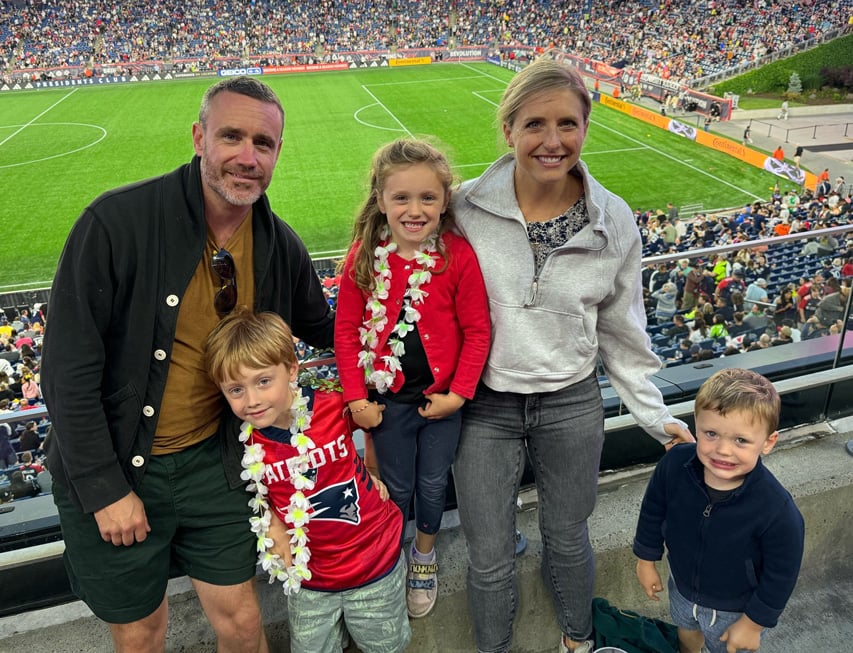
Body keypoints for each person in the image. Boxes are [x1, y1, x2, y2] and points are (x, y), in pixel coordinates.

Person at [40, 76, 335, 652]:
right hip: (121, 466)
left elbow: (328, 329)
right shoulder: (116, 224)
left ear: (277, 153)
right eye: (232, 137)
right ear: (199, 137)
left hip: (215, 465)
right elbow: (66, 372)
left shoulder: (277, 242)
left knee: (245, 626)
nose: (247, 157)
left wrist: (423, 307)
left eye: (264, 144)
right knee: (142, 635)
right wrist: (104, 489)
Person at [450, 56, 695, 653]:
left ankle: (579, 642)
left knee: (567, 538)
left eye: (567, 124)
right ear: (508, 130)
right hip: (482, 406)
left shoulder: (613, 221)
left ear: (586, 126)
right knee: (486, 555)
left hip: (570, 403)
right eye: (534, 124)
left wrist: (654, 414)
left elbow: (622, 330)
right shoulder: (461, 210)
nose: (552, 141)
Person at [334, 138, 491, 619]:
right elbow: (345, 334)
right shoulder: (365, 256)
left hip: (440, 402)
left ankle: (423, 553)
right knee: (395, 487)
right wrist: (357, 399)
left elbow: (477, 329)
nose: (415, 209)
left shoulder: (457, 256)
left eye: (428, 197)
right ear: (380, 201)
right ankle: (393, 550)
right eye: (401, 198)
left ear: (445, 201)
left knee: (431, 484)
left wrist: (459, 395)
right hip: (389, 405)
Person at [204, 308, 411, 653]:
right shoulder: (242, 443)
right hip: (311, 578)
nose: (252, 400)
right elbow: (250, 494)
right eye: (236, 389)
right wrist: (270, 523)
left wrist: (372, 471)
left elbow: (376, 426)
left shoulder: (334, 406)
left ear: (292, 369)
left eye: (263, 381)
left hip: (375, 560)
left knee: (385, 646)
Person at [634, 368, 804, 653]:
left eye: (741, 440)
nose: (723, 450)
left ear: (768, 442)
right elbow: (653, 510)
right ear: (695, 427)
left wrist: (753, 624)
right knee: (686, 633)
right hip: (681, 584)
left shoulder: (776, 509)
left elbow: (781, 575)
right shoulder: (674, 465)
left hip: (734, 607)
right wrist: (646, 559)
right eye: (711, 433)